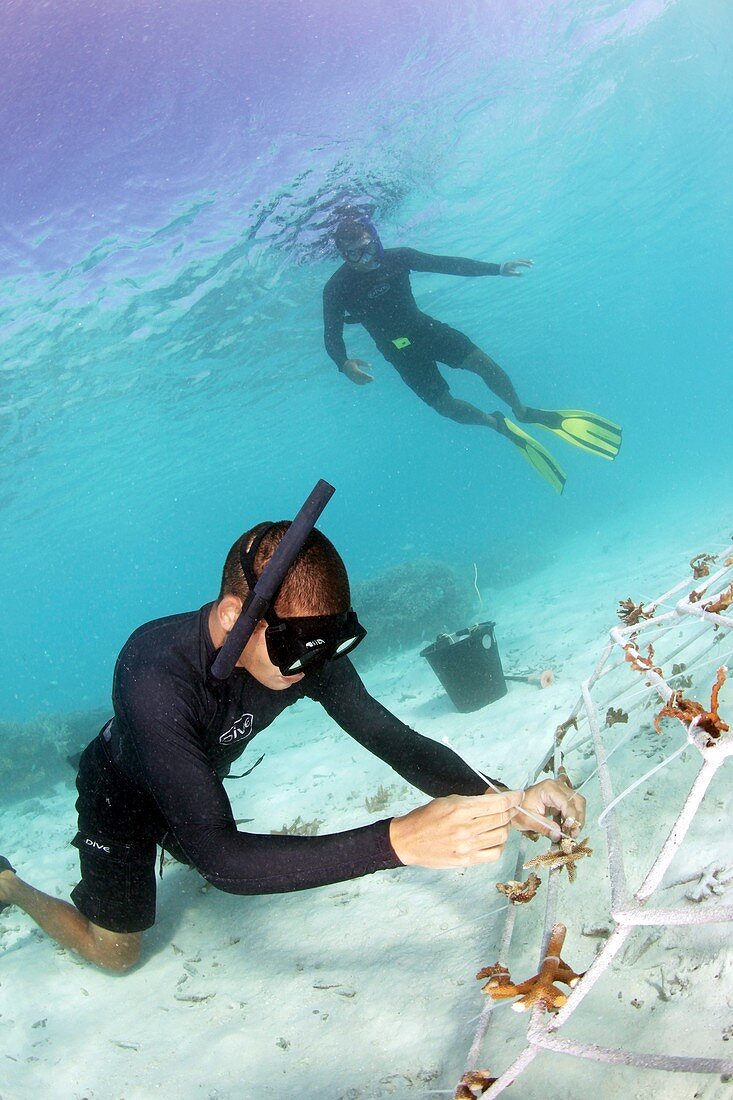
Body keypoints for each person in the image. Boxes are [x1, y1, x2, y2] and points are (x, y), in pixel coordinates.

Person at [0, 510, 584, 972]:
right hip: (122, 797)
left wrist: (507, 799)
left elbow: (392, 738)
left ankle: (176, 833)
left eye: (328, 648)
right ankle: (10, 884)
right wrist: (398, 839)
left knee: (199, 834)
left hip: (195, 780)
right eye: (294, 653)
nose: (307, 670)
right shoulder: (154, 673)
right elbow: (222, 862)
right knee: (118, 955)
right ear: (233, 617)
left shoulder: (304, 648)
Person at [323, 213, 622, 494]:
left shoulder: (399, 257)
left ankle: (522, 411)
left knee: (484, 364)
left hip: (426, 329)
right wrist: (343, 363)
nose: (368, 258)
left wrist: (497, 268)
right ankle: (497, 424)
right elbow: (331, 333)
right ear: (343, 255)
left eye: (369, 248)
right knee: (445, 405)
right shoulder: (336, 288)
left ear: (375, 239)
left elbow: (448, 264)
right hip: (398, 351)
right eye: (355, 254)